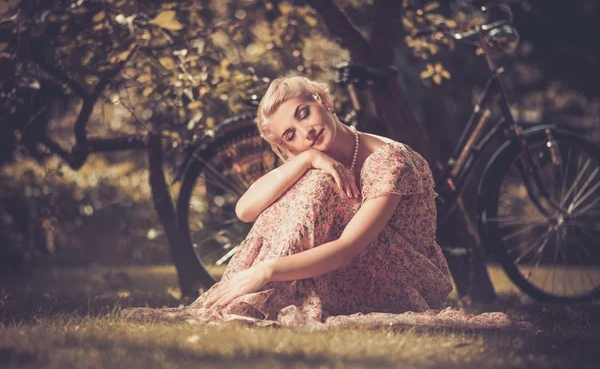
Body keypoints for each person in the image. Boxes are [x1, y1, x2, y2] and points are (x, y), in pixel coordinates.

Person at [121, 76, 532, 331]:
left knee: (317, 186)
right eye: (290, 136)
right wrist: (308, 158)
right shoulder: (316, 157)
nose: (304, 131)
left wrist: (265, 271)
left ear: (324, 101)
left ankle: (255, 292)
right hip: (349, 262)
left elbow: (352, 249)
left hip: (400, 276)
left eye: (304, 113)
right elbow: (245, 211)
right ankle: (252, 295)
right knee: (311, 179)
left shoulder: (388, 159)